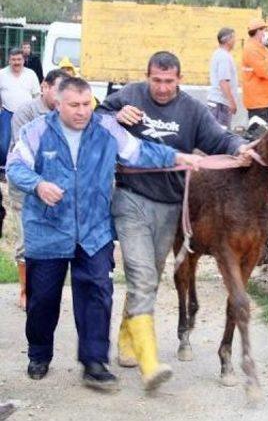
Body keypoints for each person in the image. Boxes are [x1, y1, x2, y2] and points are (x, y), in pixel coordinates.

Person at [6, 76, 202, 391]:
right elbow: (15, 166)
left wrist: (179, 158)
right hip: (47, 232)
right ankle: (39, 354)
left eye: (87, 104)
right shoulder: (37, 131)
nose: (82, 111)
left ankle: (95, 363)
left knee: (98, 294)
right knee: (42, 299)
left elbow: (140, 151)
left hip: (93, 231)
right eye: (74, 105)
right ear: (58, 103)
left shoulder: (106, 129)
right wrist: (38, 184)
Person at [96, 51, 249, 391]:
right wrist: (117, 114)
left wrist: (239, 147)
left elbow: (219, 138)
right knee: (141, 274)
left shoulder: (192, 110)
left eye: (169, 81)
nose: (162, 88)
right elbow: (97, 116)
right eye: (156, 81)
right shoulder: (130, 95)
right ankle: (147, 360)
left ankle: (126, 332)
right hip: (131, 197)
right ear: (147, 76)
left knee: (149, 276)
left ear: (179, 79)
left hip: (170, 206)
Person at [8, 69, 68, 311]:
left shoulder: (67, 113)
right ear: (44, 86)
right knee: (26, 240)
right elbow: (24, 156)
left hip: (55, 188)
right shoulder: (26, 113)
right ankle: (25, 290)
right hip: (27, 187)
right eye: (59, 89)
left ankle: (44, 291)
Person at [0, 48, 40, 175]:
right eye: (13, 59)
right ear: (9, 60)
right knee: (4, 143)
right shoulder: (2, 74)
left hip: (26, 114)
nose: (16, 62)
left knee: (24, 142)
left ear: (24, 60)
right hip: (7, 112)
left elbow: (37, 95)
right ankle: (2, 168)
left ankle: (21, 169)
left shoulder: (31, 74)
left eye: (19, 59)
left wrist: (35, 111)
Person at [207, 27, 239, 128]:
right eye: (233, 38)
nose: (235, 41)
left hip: (218, 103)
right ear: (228, 40)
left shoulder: (218, 54)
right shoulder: (224, 57)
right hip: (220, 104)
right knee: (221, 137)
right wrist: (231, 102)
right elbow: (223, 81)